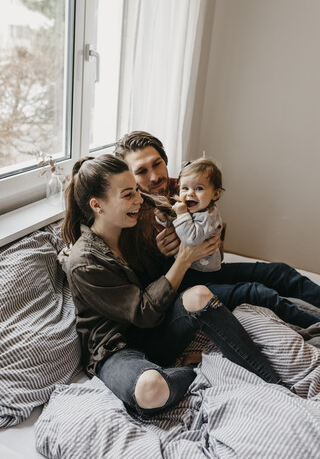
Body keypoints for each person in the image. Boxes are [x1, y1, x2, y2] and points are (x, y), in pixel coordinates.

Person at [61, 154, 283, 416]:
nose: (139, 200)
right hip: (116, 350)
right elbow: (143, 312)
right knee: (150, 390)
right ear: (97, 205)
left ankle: (274, 384)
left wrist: (174, 250)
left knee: (200, 295)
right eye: (128, 195)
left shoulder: (130, 228)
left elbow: (161, 285)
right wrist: (184, 258)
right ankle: (192, 372)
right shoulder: (85, 261)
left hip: (156, 333)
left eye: (136, 191)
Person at [114, 131, 320, 327]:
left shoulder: (185, 187)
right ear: (129, 177)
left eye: (157, 164)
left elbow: (216, 251)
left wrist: (213, 237)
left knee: (280, 272)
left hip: (209, 270)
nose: (154, 177)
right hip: (183, 292)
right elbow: (145, 292)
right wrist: (157, 255)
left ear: (165, 160)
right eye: (141, 171)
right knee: (257, 293)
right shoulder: (131, 215)